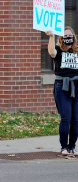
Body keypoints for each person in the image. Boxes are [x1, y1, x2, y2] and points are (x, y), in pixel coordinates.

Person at [46, 26, 78, 156]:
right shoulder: (59, 50)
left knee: (76, 119)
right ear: (61, 38)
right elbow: (52, 52)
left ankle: (72, 147)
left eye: (70, 36)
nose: (68, 38)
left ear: (74, 37)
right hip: (62, 86)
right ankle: (64, 147)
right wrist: (51, 37)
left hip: (77, 86)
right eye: (65, 37)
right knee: (66, 118)